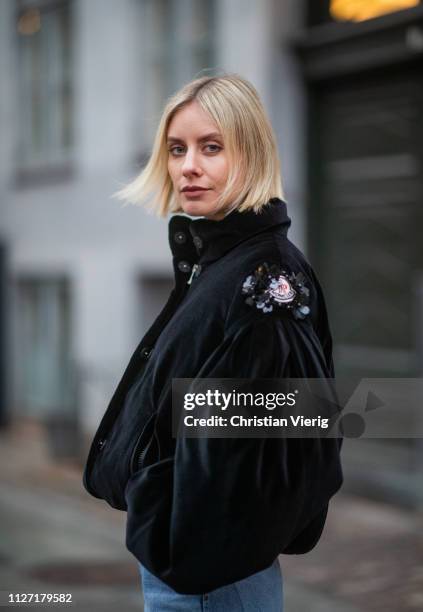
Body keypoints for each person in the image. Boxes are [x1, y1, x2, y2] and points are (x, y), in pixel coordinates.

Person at [82, 73, 343, 611]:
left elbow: (302, 431)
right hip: (194, 566)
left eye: (211, 148)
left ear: (251, 154)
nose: (188, 167)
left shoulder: (265, 280)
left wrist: (188, 532)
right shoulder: (221, 266)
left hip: (212, 578)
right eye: (177, 149)